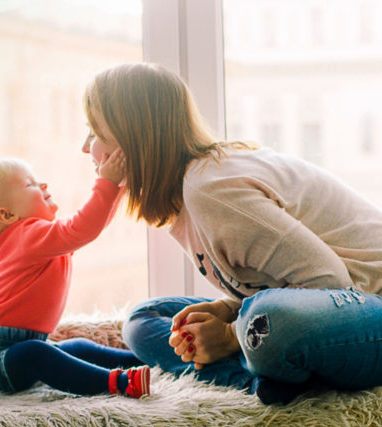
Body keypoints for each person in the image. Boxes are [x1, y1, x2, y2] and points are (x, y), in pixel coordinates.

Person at [81, 62, 382, 404]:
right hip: (322, 308)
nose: (86, 147)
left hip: (368, 303)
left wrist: (229, 335)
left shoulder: (211, 190)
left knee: (269, 324)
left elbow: (331, 284)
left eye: (95, 132)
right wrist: (227, 310)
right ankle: (260, 380)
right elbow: (281, 287)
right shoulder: (186, 197)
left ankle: (258, 361)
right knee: (144, 320)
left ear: (133, 136)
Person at [0, 154, 150, 398]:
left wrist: (117, 188)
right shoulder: (26, 237)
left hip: (14, 345)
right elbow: (83, 228)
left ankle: (145, 361)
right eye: (30, 184)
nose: (43, 184)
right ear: (6, 215)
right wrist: (107, 183)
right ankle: (118, 383)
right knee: (36, 354)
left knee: (76, 347)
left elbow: (90, 229)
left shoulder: (37, 240)